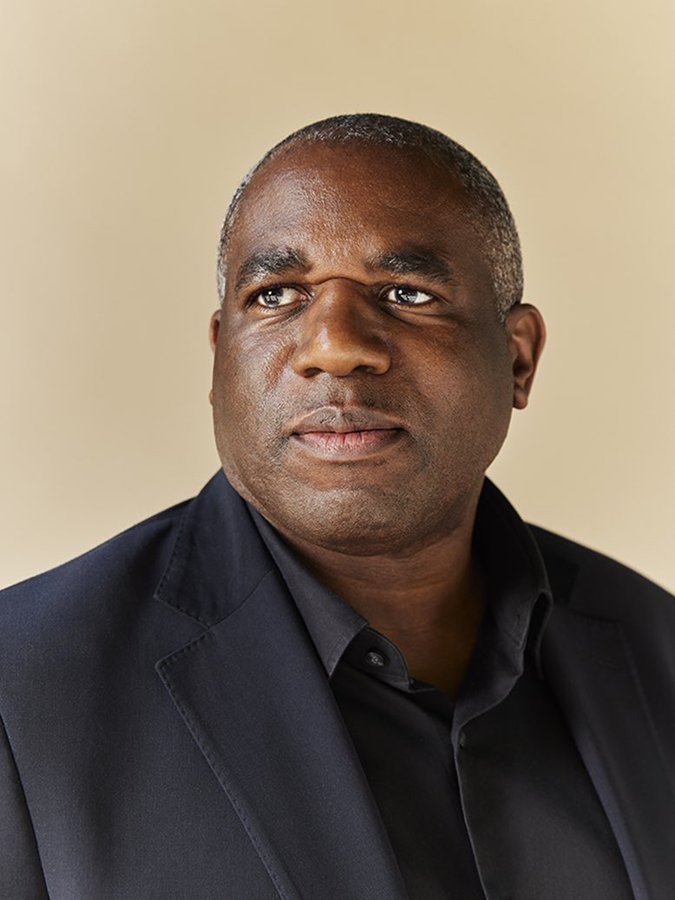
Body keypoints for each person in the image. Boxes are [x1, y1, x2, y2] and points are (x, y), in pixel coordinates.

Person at [1, 114, 673, 900]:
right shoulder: (21, 693)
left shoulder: (657, 647)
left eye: (407, 294)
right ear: (220, 358)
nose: (334, 345)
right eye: (276, 294)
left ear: (517, 358)